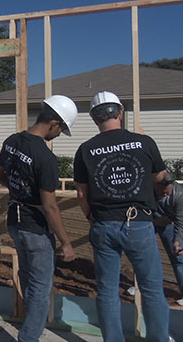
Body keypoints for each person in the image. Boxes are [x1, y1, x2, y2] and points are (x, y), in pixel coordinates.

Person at [73, 91, 169, 342]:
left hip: (103, 224)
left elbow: (82, 195)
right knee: (151, 289)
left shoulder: (85, 150)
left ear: (95, 118)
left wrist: (93, 219)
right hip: (138, 224)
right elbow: (161, 179)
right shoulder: (144, 143)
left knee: (106, 290)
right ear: (120, 113)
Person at [0, 95, 77, 342]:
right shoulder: (45, 158)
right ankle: (29, 337)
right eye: (61, 130)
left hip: (14, 222)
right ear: (54, 123)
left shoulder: (12, 141)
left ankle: (29, 323)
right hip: (36, 228)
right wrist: (66, 243)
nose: (59, 135)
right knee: (40, 288)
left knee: (28, 276)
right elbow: (50, 207)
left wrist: (21, 192)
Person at [153, 172, 183, 305]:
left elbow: (180, 221)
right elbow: (139, 212)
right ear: (156, 186)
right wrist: (154, 221)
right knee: (144, 255)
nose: (166, 194)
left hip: (169, 224)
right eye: (164, 192)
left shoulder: (179, 195)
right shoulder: (146, 190)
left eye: (169, 193)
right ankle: (140, 288)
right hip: (150, 222)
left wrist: (177, 242)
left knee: (178, 258)